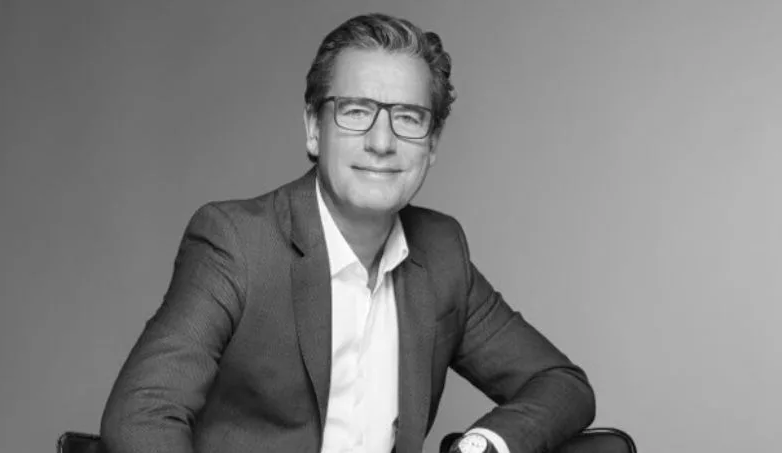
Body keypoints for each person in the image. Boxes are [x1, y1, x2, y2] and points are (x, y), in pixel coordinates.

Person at [100, 13, 595, 453]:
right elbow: (142, 414)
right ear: (314, 129)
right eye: (356, 112)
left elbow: (560, 384)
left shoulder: (441, 252)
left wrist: (481, 447)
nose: (382, 142)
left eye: (408, 118)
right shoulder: (237, 243)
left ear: (432, 145)